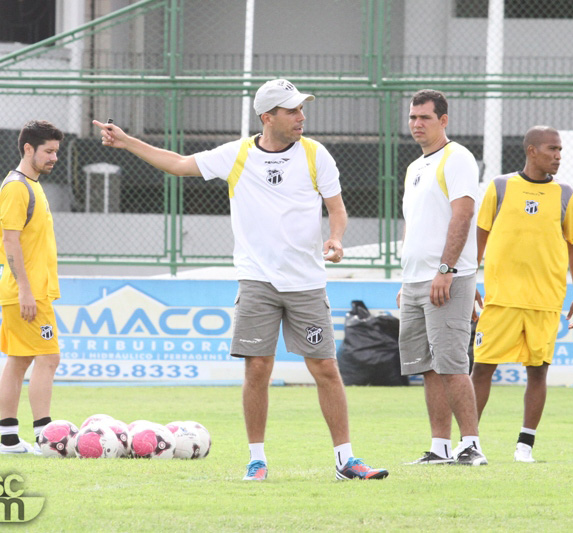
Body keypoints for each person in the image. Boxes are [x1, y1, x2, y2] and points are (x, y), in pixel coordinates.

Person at [92, 79, 387, 481]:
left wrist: (336, 238)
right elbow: (179, 164)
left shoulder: (317, 155)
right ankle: (257, 460)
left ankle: (345, 461)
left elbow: (337, 209)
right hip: (256, 281)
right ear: (268, 117)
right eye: (292, 110)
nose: (302, 116)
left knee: (326, 370)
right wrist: (128, 142)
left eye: (302, 109)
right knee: (258, 369)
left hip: (306, 283)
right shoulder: (236, 154)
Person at [471, 126, 573, 463]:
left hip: (546, 300)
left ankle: (525, 446)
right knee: (481, 369)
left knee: (538, 371)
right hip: (501, 299)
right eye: (552, 149)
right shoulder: (501, 187)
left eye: (560, 150)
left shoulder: (565, 194)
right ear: (531, 150)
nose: (558, 156)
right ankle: (469, 442)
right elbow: (480, 235)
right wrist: (469, 281)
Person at [397, 89, 487, 466]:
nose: (417, 124)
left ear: (443, 120)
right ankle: (440, 447)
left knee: (451, 364)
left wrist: (447, 270)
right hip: (415, 280)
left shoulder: (457, 158)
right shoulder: (415, 166)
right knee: (427, 368)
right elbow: (415, 227)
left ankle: (472, 445)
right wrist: (405, 281)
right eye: (413, 117)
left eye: (425, 118)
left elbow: (463, 216)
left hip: (445, 278)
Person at [0, 120, 64, 454]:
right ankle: (45, 436)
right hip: (27, 292)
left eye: (56, 152)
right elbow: (10, 242)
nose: (54, 158)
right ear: (28, 149)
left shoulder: (32, 185)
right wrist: (24, 289)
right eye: (48, 151)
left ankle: (9, 438)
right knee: (49, 358)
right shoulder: (16, 187)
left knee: (19, 360)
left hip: (31, 289)